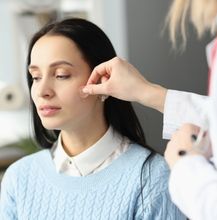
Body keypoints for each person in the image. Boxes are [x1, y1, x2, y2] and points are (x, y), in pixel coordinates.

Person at [80, 0, 217, 219]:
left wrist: (186, 164)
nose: (44, 91)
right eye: (42, 76)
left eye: (62, 75)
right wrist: (147, 92)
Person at [0, 18, 186, 220]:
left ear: (103, 82)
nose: (42, 91)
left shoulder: (152, 178)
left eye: (61, 75)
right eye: (36, 77)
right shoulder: (19, 178)